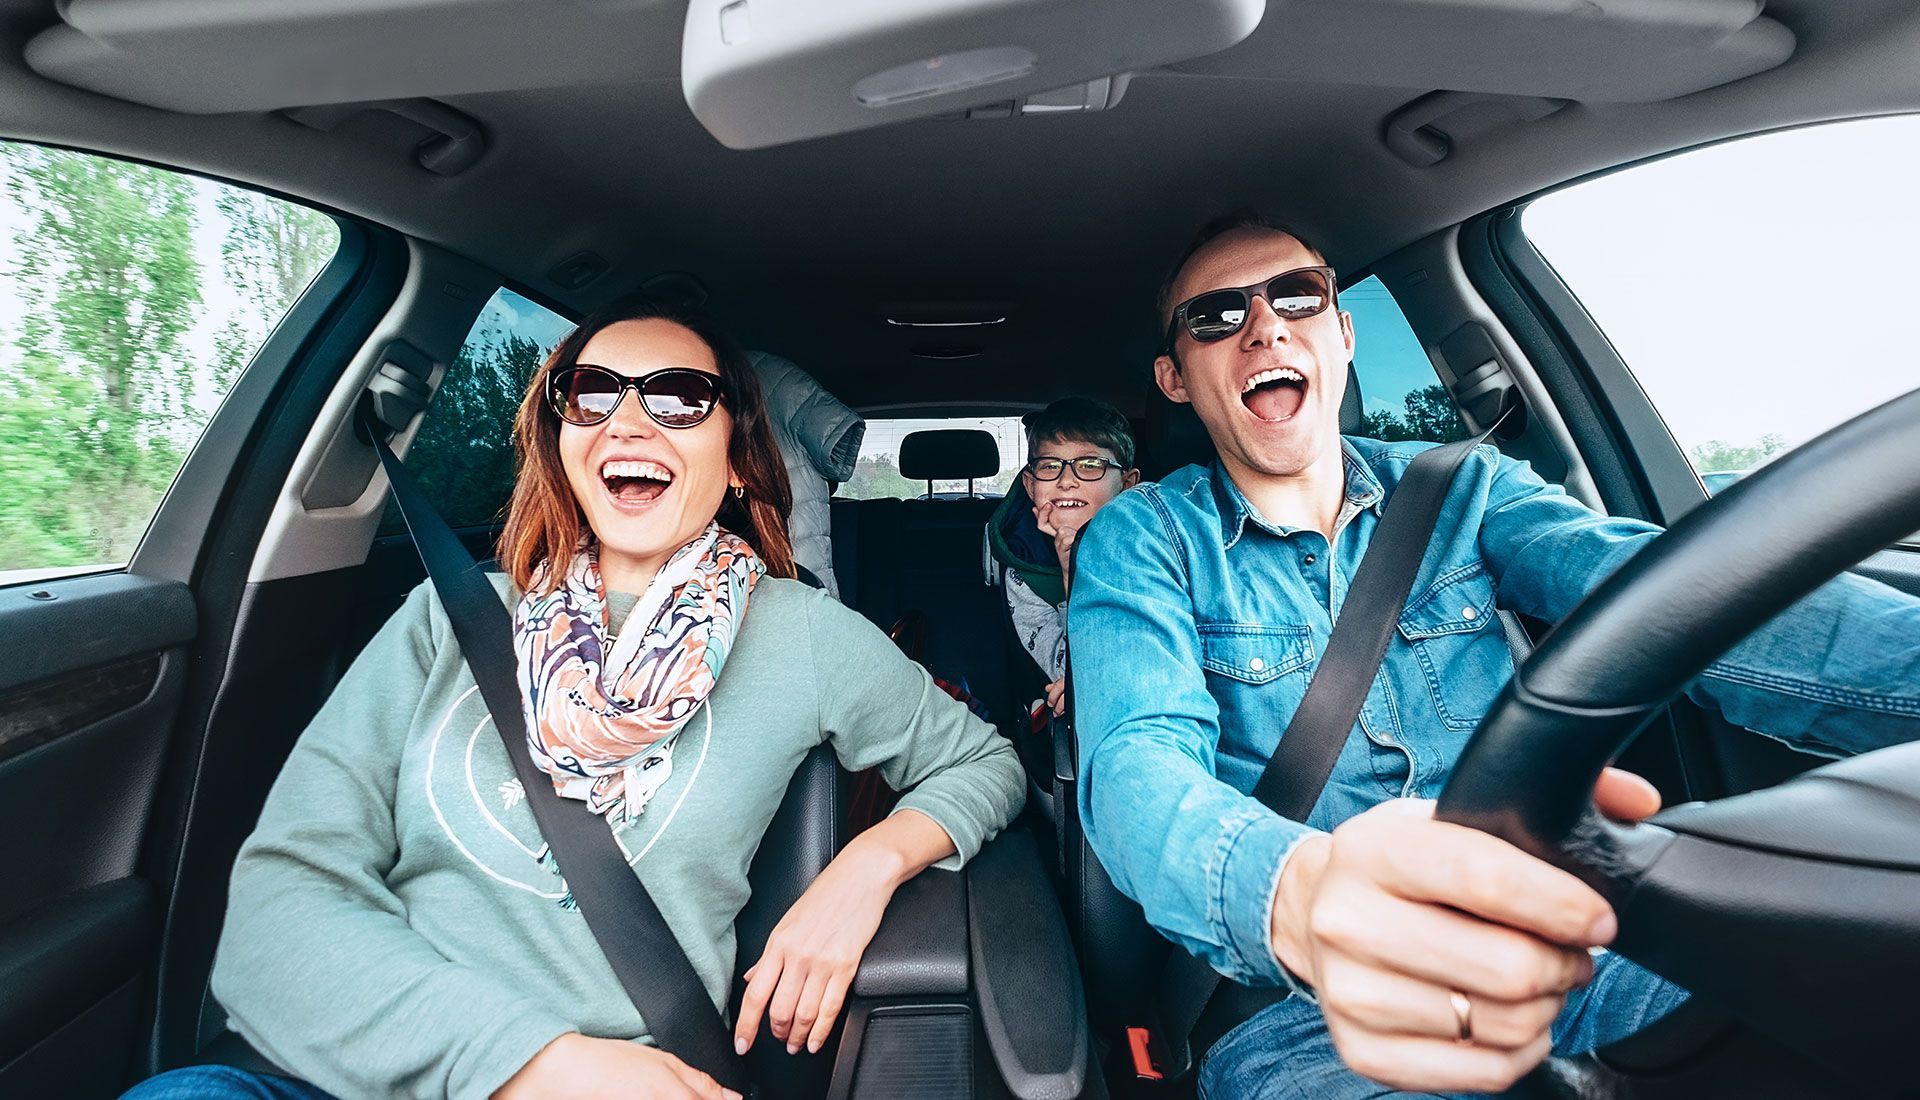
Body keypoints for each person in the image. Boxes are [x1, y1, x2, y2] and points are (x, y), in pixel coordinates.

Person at [1067, 211, 1920, 1098]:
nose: (1266, 327)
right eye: (1217, 316)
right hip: (1310, 1012)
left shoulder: (1464, 488)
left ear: (1342, 333)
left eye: (1298, 296)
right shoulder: (1145, 537)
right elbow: (1136, 763)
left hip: (1567, 942)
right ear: (1175, 377)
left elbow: (1675, 601)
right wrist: (1303, 895)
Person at [126, 298, 1024, 1100]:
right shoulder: (449, 617)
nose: (629, 421)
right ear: (562, 440)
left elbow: (983, 761)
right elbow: (280, 904)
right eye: (593, 393)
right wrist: (528, 1063)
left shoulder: (804, 635)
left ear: (741, 463)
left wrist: (864, 871)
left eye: (677, 397)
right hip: (354, 1067)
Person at [987, 397, 1139, 717]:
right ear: (1030, 485)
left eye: (1089, 465)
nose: (1066, 480)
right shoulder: (1024, 567)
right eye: (1050, 466)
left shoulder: (1154, 549)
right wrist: (1073, 573)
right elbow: (1068, 671)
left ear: (1127, 484)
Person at [748, 350, 864, 601]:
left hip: (795, 553)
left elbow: (838, 458)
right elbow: (838, 461)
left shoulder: (775, 380)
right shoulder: (776, 378)